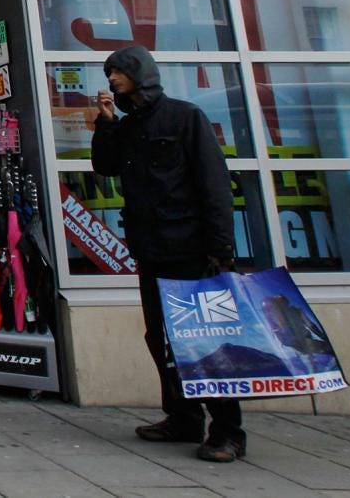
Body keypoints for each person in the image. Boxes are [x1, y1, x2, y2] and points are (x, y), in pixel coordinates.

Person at [92, 45, 243, 464]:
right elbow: (105, 167)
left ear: (139, 72)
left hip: (190, 248)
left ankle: (228, 430)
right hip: (150, 247)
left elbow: (214, 183)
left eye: (118, 72)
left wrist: (221, 247)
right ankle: (182, 416)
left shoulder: (183, 117)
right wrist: (105, 125)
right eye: (109, 73)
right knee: (159, 337)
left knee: (204, 341)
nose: (112, 80)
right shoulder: (126, 125)